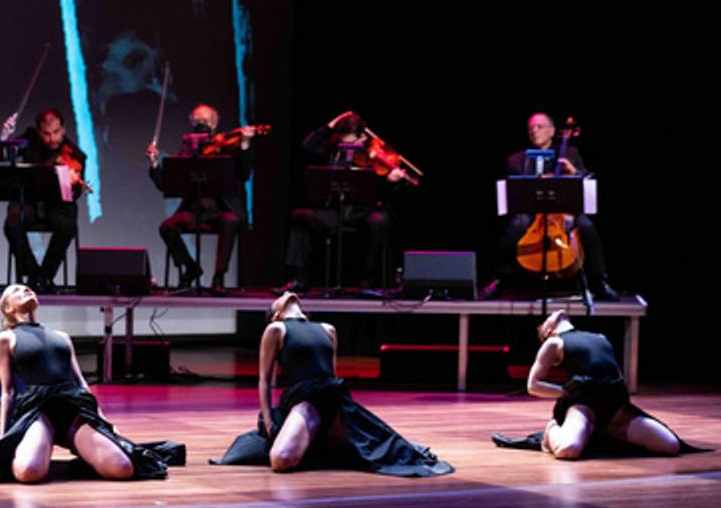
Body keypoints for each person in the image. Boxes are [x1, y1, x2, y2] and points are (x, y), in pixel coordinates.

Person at [0, 284, 185, 483]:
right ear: (9, 309)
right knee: (28, 473)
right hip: (38, 408)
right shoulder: (6, 338)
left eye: (27, 288)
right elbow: (9, 390)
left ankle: (80, 453)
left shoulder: (61, 336)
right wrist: (4, 441)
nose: (25, 289)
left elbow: (80, 382)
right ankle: (42, 445)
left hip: (73, 404)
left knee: (122, 468)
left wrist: (102, 422)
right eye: (16, 291)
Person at [214, 292, 454, 476]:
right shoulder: (276, 329)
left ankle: (327, 440)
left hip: (333, 396)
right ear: (276, 314)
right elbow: (264, 379)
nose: (288, 295)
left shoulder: (327, 329)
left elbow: (333, 373)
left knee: (385, 448)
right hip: (306, 400)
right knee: (281, 460)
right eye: (279, 299)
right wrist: (268, 421)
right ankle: (317, 441)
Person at [492, 309, 686, 459]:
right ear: (548, 330)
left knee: (670, 445)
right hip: (583, 405)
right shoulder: (553, 342)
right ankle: (551, 432)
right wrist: (566, 393)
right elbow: (533, 386)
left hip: (614, 406)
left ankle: (601, 432)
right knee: (568, 451)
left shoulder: (600, 337)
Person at [483, 112, 617, 300]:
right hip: (532, 213)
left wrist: (574, 172)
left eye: (539, 127)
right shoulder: (515, 160)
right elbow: (512, 192)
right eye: (530, 128)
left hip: (564, 212)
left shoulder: (570, 153)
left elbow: (586, 181)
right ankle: (499, 279)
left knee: (586, 226)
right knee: (516, 225)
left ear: (552, 131)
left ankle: (600, 282)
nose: (534, 131)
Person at [278, 111, 402, 293]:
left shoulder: (374, 156)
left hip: (362, 212)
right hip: (335, 212)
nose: (347, 147)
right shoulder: (332, 150)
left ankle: (367, 281)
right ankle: (298, 279)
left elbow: (386, 191)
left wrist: (391, 182)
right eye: (343, 141)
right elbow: (307, 145)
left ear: (362, 137)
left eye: (351, 143)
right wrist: (330, 125)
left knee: (379, 221)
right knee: (300, 217)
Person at [147, 104, 254, 293]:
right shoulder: (188, 150)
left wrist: (245, 145)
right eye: (197, 121)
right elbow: (167, 184)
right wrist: (155, 164)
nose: (201, 125)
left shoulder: (226, 147)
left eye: (205, 121)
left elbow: (243, 173)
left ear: (214, 124)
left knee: (230, 222)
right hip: (195, 210)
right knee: (167, 227)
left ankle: (219, 276)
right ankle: (190, 268)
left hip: (222, 210)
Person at [0, 108, 85, 292]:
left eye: (56, 132)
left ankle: (46, 276)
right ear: (38, 131)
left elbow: (76, 194)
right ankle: (33, 274)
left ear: (63, 129)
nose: (52, 139)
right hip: (31, 202)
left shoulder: (75, 154)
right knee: (12, 223)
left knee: (67, 226)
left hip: (57, 206)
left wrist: (71, 184)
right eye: (46, 134)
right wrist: (3, 137)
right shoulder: (29, 139)